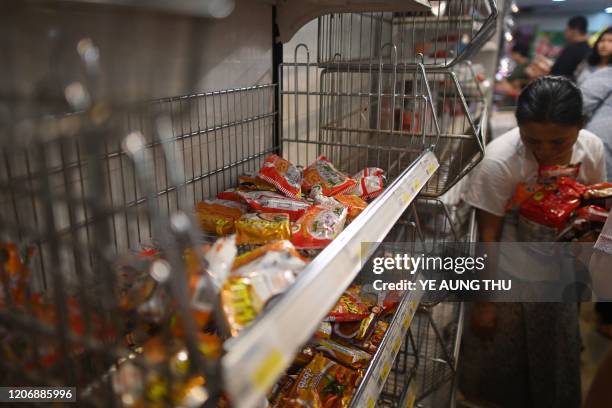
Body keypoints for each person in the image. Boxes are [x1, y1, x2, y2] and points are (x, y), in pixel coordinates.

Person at [459, 76, 606, 408]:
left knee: (554, 349)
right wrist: (484, 303)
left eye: (558, 142)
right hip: (507, 266)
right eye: (532, 140)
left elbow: (594, 209)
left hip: (560, 268)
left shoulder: (591, 148)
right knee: (501, 358)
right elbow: (488, 236)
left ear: (580, 127)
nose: (544, 151)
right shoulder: (500, 161)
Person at [550, 16, 591, 80]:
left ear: (575, 31)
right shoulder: (589, 49)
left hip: (563, 87)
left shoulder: (571, 50)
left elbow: (558, 74)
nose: (565, 33)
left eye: (567, 30)